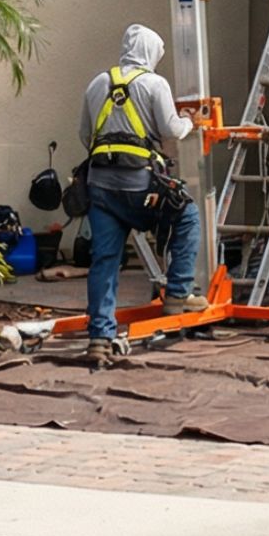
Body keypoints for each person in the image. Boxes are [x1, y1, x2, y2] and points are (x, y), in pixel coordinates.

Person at [79, 23, 204, 362]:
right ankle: (178, 293)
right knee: (188, 217)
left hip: (100, 189)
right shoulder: (154, 83)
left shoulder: (97, 83)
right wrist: (193, 121)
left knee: (104, 261)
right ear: (151, 52)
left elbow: (84, 135)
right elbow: (172, 130)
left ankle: (100, 340)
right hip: (139, 187)